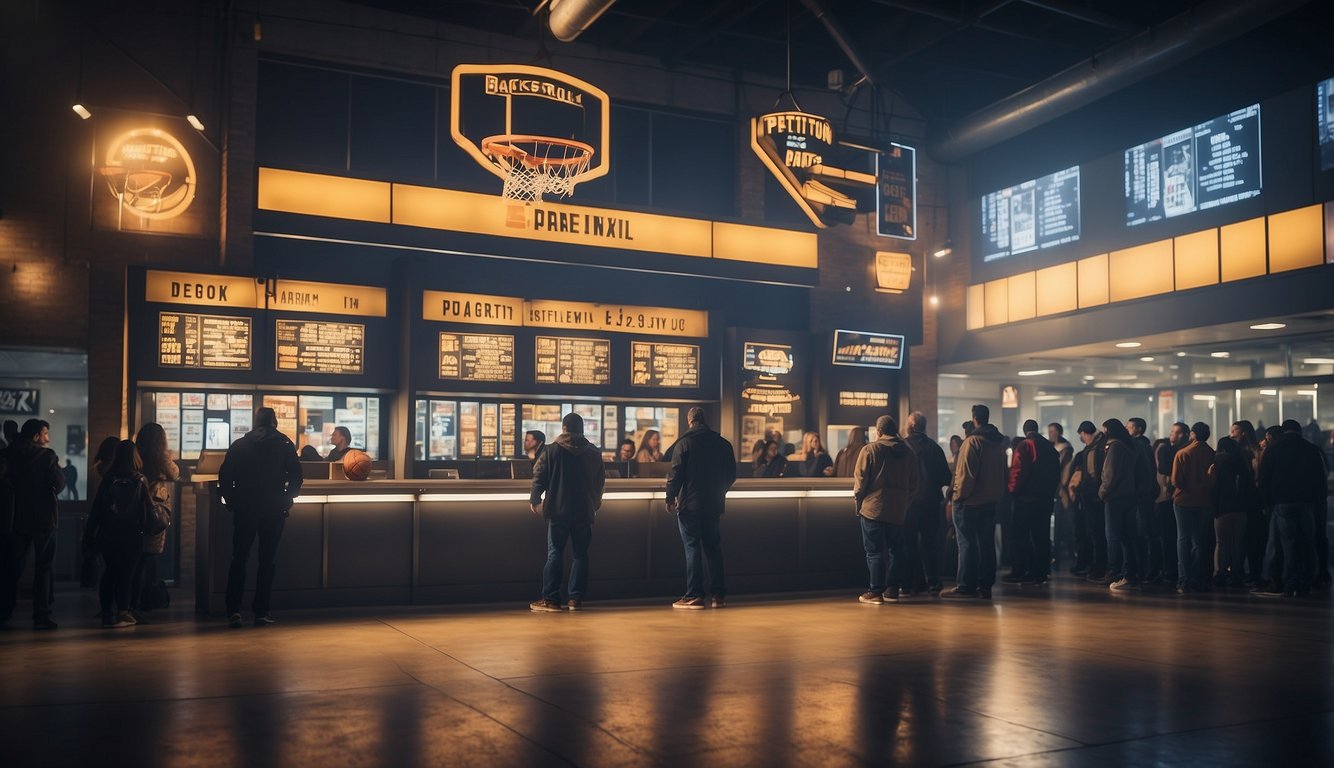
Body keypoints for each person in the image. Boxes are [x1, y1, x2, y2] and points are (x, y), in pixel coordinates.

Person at [219, 407, 303, 628]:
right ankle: (261, 612)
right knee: (267, 561)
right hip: (274, 510)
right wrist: (287, 499)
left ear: (255, 422)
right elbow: (296, 476)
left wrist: (232, 502)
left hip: (245, 509)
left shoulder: (240, 445)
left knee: (239, 559)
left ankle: (234, 611)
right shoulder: (285, 444)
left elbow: (225, 476)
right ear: (274, 421)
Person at [529, 413, 605, 612]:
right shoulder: (594, 453)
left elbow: (539, 476)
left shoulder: (551, 451)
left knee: (555, 554)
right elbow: (600, 483)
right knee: (581, 555)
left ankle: (551, 600)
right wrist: (594, 504)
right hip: (584, 511)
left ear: (563, 428)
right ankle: (575, 599)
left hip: (558, 510)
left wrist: (535, 499)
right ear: (582, 430)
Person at [665, 407, 736, 609]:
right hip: (713, 505)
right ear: (705, 420)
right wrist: (719, 492)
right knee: (714, 548)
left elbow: (675, 474)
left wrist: (670, 497)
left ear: (690, 421)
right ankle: (719, 596)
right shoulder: (723, 444)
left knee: (692, 548)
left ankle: (694, 594)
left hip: (689, 506)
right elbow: (731, 474)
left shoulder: (684, 443)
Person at [0, 419, 65, 630]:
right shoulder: (46, 457)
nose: (48, 438)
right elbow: (59, 484)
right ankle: (41, 615)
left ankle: (4, 611)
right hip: (44, 520)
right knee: (43, 568)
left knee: (12, 568)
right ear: (36, 436)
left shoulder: (9, 454)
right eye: (45, 434)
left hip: (16, 519)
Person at [1253, 420, 1327, 597]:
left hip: (1283, 502)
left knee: (1287, 543)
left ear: (1284, 431)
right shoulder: (1311, 449)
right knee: (1307, 542)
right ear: (1299, 431)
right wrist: (1318, 502)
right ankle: (1307, 580)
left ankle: (1289, 582)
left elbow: (1265, 479)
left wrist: (1265, 503)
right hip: (1307, 502)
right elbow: (1319, 478)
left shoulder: (1273, 449)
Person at [85, 440, 153, 628]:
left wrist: (90, 533)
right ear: (135, 456)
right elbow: (147, 509)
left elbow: (97, 509)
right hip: (132, 534)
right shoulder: (140, 480)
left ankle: (107, 613)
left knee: (110, 572)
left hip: (108, 533)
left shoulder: (108, 478)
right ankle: (124, 611)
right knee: (127, 574)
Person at [853, 415, 921, 604]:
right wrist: (904, 502)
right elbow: (915, 484)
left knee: (874, 551)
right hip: (898, 510)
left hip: (873, 508)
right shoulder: (909, 453)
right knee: (896, 550)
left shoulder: (871, 449)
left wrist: (859, 501)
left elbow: (860, 481)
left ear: (879, 431)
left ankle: (875, 592)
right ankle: (892, 590)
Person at [943, 405, 1006, 600]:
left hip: (969, 503)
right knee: (986, 544)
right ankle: (985, 585)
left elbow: (965, 475)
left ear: (974, 418)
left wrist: (957, 497)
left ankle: (965, 586)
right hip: (990, 502)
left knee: (966, 544)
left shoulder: (972, 442)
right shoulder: (997, 443)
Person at [131, 422, 179, 618]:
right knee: (147, 559)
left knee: (137, 561)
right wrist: (167, 454)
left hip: (136, 512)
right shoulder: (161, 459)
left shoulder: (135, 455)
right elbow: (175, 473)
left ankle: (134, 603)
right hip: (155, 513)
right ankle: (143, 602)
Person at [1007, 419, 1061, 587]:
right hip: (1045, 500)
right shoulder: (1050, 448)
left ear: (1025, 431)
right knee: (1042, 537)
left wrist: (1012, 491)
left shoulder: (1025, 446)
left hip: (1026, 500)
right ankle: (1041, 573)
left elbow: (1018, 471)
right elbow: (1056, 476)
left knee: (1020, 537)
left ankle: (1020, 572)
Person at [904, 413, 951, 595]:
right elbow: (946, 477)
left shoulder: (903, 447)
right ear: (924, 427)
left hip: (909, 503)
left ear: (909, 426)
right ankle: (934, 581)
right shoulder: (934, 447)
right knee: (930, 543)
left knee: (909, 544)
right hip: (931, 502)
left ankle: (911, 582)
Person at [1171, 422, 1216, 594]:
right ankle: (1197, 578)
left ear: (1192, 434)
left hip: (1183, 501)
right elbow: (1214, 480)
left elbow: (1176, 481)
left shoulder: (1183, 453)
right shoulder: (1212, 454)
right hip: (1204, 501)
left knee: (1183, 539)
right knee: (1199, 542)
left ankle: (1184, 580)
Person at [1099, 419, 1141, 592]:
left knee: (1113, 536)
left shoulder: (1115, 447)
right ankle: (1129, 573)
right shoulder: (1129, 445)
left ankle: (1114, 572)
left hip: (1115, 497)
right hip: (1130, 495)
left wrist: (1102, 492)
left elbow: (1110, 474)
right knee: (1128, 537)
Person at [1209, 436, 1252, 588]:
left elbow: (1214, 487)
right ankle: (1236, 574)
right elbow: (1248, 486)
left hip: (1222, 509)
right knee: (1237, 543)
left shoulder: (1217, 463)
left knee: (1221, 543)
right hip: (1240, 509)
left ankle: (1220, 573)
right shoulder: (1242, 462)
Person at [1068, 421, 1108, 581]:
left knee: (1095, 533)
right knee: (1095, 533)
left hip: (1092, 498)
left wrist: (1084, 489)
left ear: (1084, 433)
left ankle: (1098, 566)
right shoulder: (1097, 447)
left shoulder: (1092, 450)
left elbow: (1092, 476)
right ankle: (1095, 565)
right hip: (1095, 497)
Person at [1229, 421, 1265, 586]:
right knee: (1244, 538)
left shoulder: (1254, 452)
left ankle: (1253, 572)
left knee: (1252, 537)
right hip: (1248, 499)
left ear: (1244, 432)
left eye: (1234, 429)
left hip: (1251, 500)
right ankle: (1247, 572)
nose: (1231, 433)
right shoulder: (1251, 451)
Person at [1048, 423, 1074, 564]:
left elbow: (1064, 471)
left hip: (1061, 490)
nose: (1051, 434)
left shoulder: (1066, 449)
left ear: (1059, 432)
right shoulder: (1052, 447)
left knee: (1062, 522)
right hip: (1055, 489)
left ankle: (1062, 553)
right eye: (1049, 431)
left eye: (1053, 431)